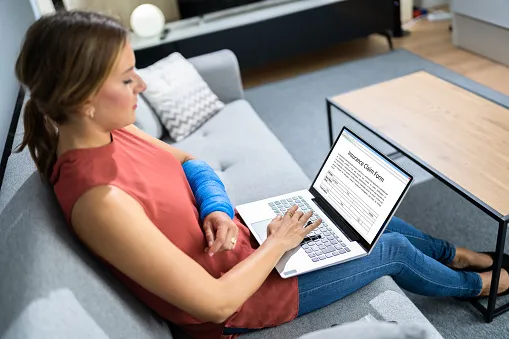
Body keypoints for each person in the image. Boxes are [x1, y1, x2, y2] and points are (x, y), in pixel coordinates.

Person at [14, 10, 509, 339]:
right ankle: (480, 287)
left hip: (248, 247)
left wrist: (217, 209)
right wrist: (280, 242)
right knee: (391, 250)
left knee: (371, 222)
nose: (142, 83)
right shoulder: (99, 201)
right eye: (126, 79)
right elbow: (212, 303)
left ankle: (462, 255)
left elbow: (193, 163)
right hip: (248, 299)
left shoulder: (109, 131)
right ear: (82, 98)